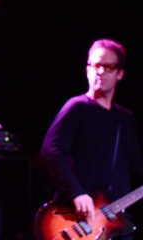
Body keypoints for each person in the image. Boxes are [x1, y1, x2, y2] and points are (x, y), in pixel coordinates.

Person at [40, 39, 143, 238]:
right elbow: (51, 151)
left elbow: (136, 165)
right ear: (87, 69)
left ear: (120, 73)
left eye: (109, 66)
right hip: (81, 221)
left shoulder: (126, 119)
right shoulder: (77, 107)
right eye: (95, 65)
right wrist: (77, 192)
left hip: (115, 222)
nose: (101, 72)